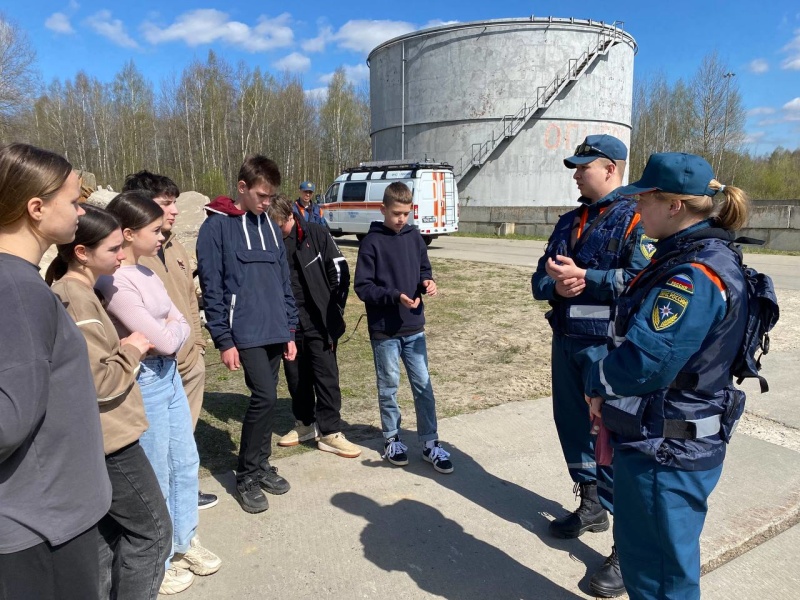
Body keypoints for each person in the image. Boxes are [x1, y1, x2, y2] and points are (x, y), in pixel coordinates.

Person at [585, 153, 750, 600]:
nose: (638, 210)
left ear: (673, 205)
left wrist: (597, 380)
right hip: (670, 437)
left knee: (659, 574)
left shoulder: (691, 275)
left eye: (645, 200)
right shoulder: (696, 255)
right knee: (655, 565)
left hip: (667, 448)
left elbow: (647, 362)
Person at [531, 134, 650, 597]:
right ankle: (591, 504)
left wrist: (588, 278)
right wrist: (554, 288)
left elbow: (641, 280)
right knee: (573, 428)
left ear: (611, 169)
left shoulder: (636, 219)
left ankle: (627, 549)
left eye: (584, 166)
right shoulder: (569, 221)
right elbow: (540, 277)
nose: (576, 174)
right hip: (567, 344)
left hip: (609, 350)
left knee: (613, 440)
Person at [0, 143, 111, 600]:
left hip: (47, 516)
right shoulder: (17, 290)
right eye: (73, 201)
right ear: (36, 208)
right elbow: (8, 422)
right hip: (42, 527)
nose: (81, 210)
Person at [98, 191, 221, 595]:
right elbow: (166, 339)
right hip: (146, 378)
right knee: (157, 468)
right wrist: (169, 331)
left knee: (185, 460)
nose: (162, 233)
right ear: (129, 233)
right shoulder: (113, 281)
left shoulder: (148, 272)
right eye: (154, 229)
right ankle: (160, 556)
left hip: (167, 376)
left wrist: (170, 330)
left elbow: (178, 321)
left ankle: (185, 541)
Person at [47, 204, 172, 600]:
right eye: (114, 249)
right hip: (112, 442)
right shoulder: (75, 298)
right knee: (154, 534)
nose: (122, 256)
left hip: (103, 439)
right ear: (82, 252)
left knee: (110, 536)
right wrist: (132, 349)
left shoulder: (80, 291)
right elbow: (98, 383)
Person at [196, 155, 298, 514]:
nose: (267, 202)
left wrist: (289, 329)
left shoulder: (270, 225)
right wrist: (224, 339)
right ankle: (246, 476)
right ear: (242, 188)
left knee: (268, 399)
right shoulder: (216, 227)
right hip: (245, 332)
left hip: (274, 328)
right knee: (265, 397)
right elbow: (212, 288)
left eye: (271, 197)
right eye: (261, 195)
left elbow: (283, 281)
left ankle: (261, 463)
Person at [121, 170, 216, 511]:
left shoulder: (172, 242)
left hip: (188, 358)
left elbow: (189, 298)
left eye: (175, 202)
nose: (174, 210)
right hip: (155, 366)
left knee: (183, 443)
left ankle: (183, 496)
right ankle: (164, 510)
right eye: (166, 203)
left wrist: (199, 345)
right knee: (156, 449)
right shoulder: (129, 253)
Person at [354, 181, 453, 474]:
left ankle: (430, 442)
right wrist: (394, 296)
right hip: (384, 330)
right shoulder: (371, 242)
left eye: (406, 213)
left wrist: (427, 281)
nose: (401, 219)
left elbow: (424, 268)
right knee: (389, 387)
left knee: (423, 386)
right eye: (396, 213)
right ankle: (392, 439)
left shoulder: (414, 237)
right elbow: (363, 287)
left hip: (414, 328)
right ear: (383, 209)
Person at [266, 195, 361, 458]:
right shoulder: (271, 243)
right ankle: (305, 425)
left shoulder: (316, 233)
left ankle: (330, 432)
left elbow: (340, 272)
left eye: (278, 227)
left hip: (321, 322)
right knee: (296, 378)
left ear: (290, 217)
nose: (275, 232)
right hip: (289, 325)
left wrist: (335, 310)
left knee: (326, 377)